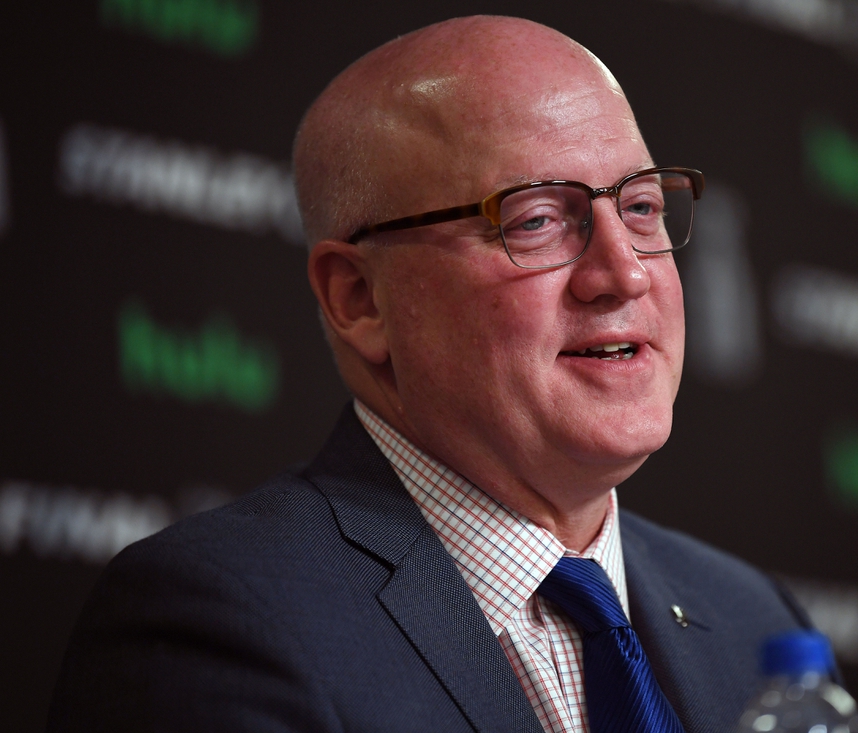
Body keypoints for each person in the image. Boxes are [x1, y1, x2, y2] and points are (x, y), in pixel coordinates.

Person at [48, 15, 812, 733]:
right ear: (360, 299)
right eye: (537, 218)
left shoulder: (756, 622)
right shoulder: (216, 622)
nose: (624, 273)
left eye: (641, 207)